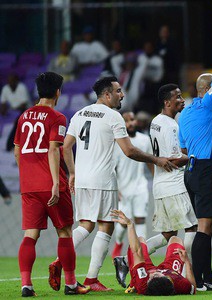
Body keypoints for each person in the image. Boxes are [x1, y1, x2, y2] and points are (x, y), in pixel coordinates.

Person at [49, 76, 176, 292]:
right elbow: (129, 150)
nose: (122, 95)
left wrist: (72, 173)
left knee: (86, 225)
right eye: (118, 91)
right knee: (106, 226)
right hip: (103, 179)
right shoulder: (113, 116)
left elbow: (66, 147)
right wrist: (156, 160)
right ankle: (91, 279)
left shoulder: (80, 114)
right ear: (107, 95)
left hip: (82, 180)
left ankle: (61, 259)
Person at [13, 72, 90, 297]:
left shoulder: (23, 116)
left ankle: (26, 285)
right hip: (52, 184)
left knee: (30, 234)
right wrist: (56, 183)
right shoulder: (57, 117)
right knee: (65, 232)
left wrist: (27, 177)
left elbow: (18, 151)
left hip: (29, 186)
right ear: (58, 92)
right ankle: (72, 284)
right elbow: (54, 148)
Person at [178, 19, 212, 291]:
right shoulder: (206, 105)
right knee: (205, 226)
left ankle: (207, 278)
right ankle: (199, 281)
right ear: (209, 90)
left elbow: (184, 147)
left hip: (191, 170)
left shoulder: (185, 113)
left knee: (205, 226)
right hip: (205, 170)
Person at [142, 84, 197, 278]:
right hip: (174, 185)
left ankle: (132, 258)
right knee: (192, 226)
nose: (182, 100)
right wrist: (192, 155)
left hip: (160, 186)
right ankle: (184, 266)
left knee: (168, 234)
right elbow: (174, 160)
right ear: (167, 102)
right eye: (178, 97)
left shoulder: (155, 121)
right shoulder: (171, 126)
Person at [111, 209, 196, 295]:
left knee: (140, 241)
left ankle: (133, 283)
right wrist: (186, 261)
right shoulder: (179, 283)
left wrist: (130, 225)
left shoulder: (143, 282)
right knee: (175, 239)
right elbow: (192, 287)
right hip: (169, 269)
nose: (153, 274)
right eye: (156, 275)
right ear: (168, 279)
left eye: (151, 277)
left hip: (146, 269)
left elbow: (137, 251)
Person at [111, 112, 154, 259]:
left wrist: (156, 179)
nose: (131, 123)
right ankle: (118, 243)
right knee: (124, 222)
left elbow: (149, 161)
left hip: (140, 186)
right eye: (127, 121)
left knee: (140, 218)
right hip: (123, 189)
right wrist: (115, 188)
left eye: (132, 120)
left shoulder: (144, 140)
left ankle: (142, 250)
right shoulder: (118, 143)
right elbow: (112, 168)